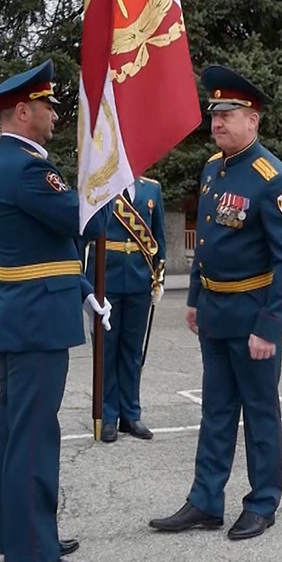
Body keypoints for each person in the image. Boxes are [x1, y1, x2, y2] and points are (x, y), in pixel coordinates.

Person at [148, 64, 282, 541]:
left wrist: (270, 325)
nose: (216, 123)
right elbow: (208, 241)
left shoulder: (273, 179)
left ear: (252, 120)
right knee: (215, 410)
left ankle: (262, 503)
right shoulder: (213, 168)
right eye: (214, 114)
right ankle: (205, 501)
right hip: (215, 312)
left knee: (260, 413)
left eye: (227, 115)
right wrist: (195, 297)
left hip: (253, 315)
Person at [0, 59, 112, 562]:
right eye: (47, 107)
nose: (55, 115)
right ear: (22, 112)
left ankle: (21, 534)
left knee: (20, 433)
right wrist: (106, 180)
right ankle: (32, 553)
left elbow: (49, 248)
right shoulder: (28, 169)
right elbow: (88, 223)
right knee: (34, 436)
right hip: (35, 320)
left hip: (26, 314)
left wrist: (83, 291)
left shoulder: (14, 164)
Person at [85, 175, 166, 443]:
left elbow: (158, 238)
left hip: (140, 279)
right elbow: (85, 234)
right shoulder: (100, 184)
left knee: (133, 350)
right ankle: (108, 416)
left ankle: (130, 414)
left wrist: (158, 279)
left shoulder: (151, 188)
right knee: (106, 349)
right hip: (105, 278)